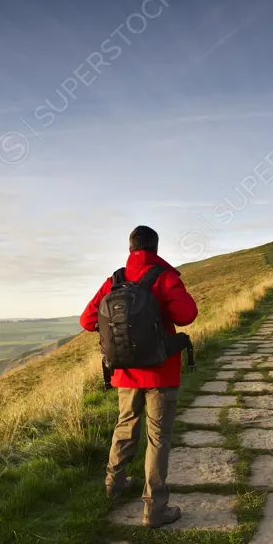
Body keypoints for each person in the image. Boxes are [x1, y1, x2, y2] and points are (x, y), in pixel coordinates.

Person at [79, 226, 198, 527]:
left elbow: (87, 320)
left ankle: (114, 483)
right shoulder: (163, 277)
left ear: (130, 248)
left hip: (125, 372)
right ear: (155, 248)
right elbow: (187, 315)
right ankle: (155, 509)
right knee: (158, 437)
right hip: (161, 371)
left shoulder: (115, 280)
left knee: (125, 426)